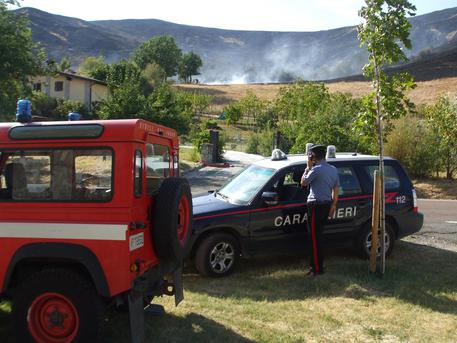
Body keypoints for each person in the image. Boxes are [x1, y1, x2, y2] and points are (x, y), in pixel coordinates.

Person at [301, 145, 339, 276]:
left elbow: (303, 183)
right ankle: (317, 266)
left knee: (314, 239)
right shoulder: (333, 169)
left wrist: (307, 167)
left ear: (314, 156)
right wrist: (333, 206)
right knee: (318, 237)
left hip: (315, 206)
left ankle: (316, 269)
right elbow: (336, 189)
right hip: (326, 206)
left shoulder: (316, 170)